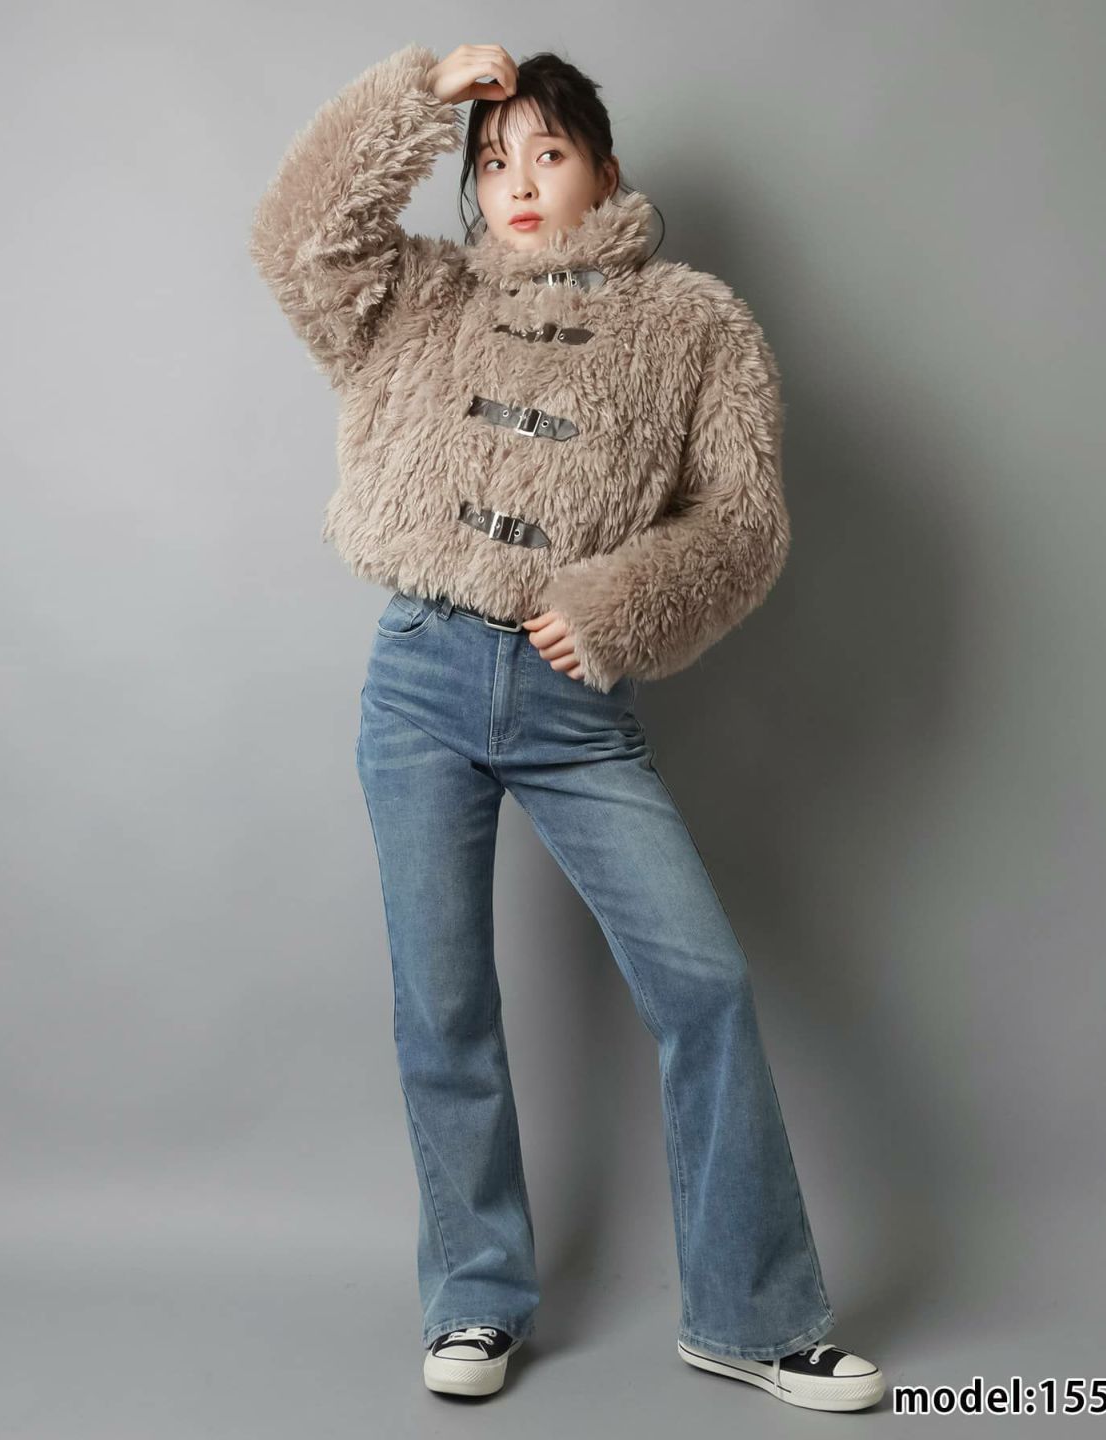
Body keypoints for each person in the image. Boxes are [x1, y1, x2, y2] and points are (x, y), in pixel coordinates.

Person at [249, 40, 885, 1413]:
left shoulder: (697, 325)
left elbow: (742, 525)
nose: (520, 183)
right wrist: (418, 95)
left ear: (604, 166)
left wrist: (612, 606)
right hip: (419, 681)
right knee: (445, 1006)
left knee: (703, 986)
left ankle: (754, 1315)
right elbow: (297, 240)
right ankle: (475, 1298)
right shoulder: (420, 298)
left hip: (576, 708)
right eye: (494, 163)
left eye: (549, 152)